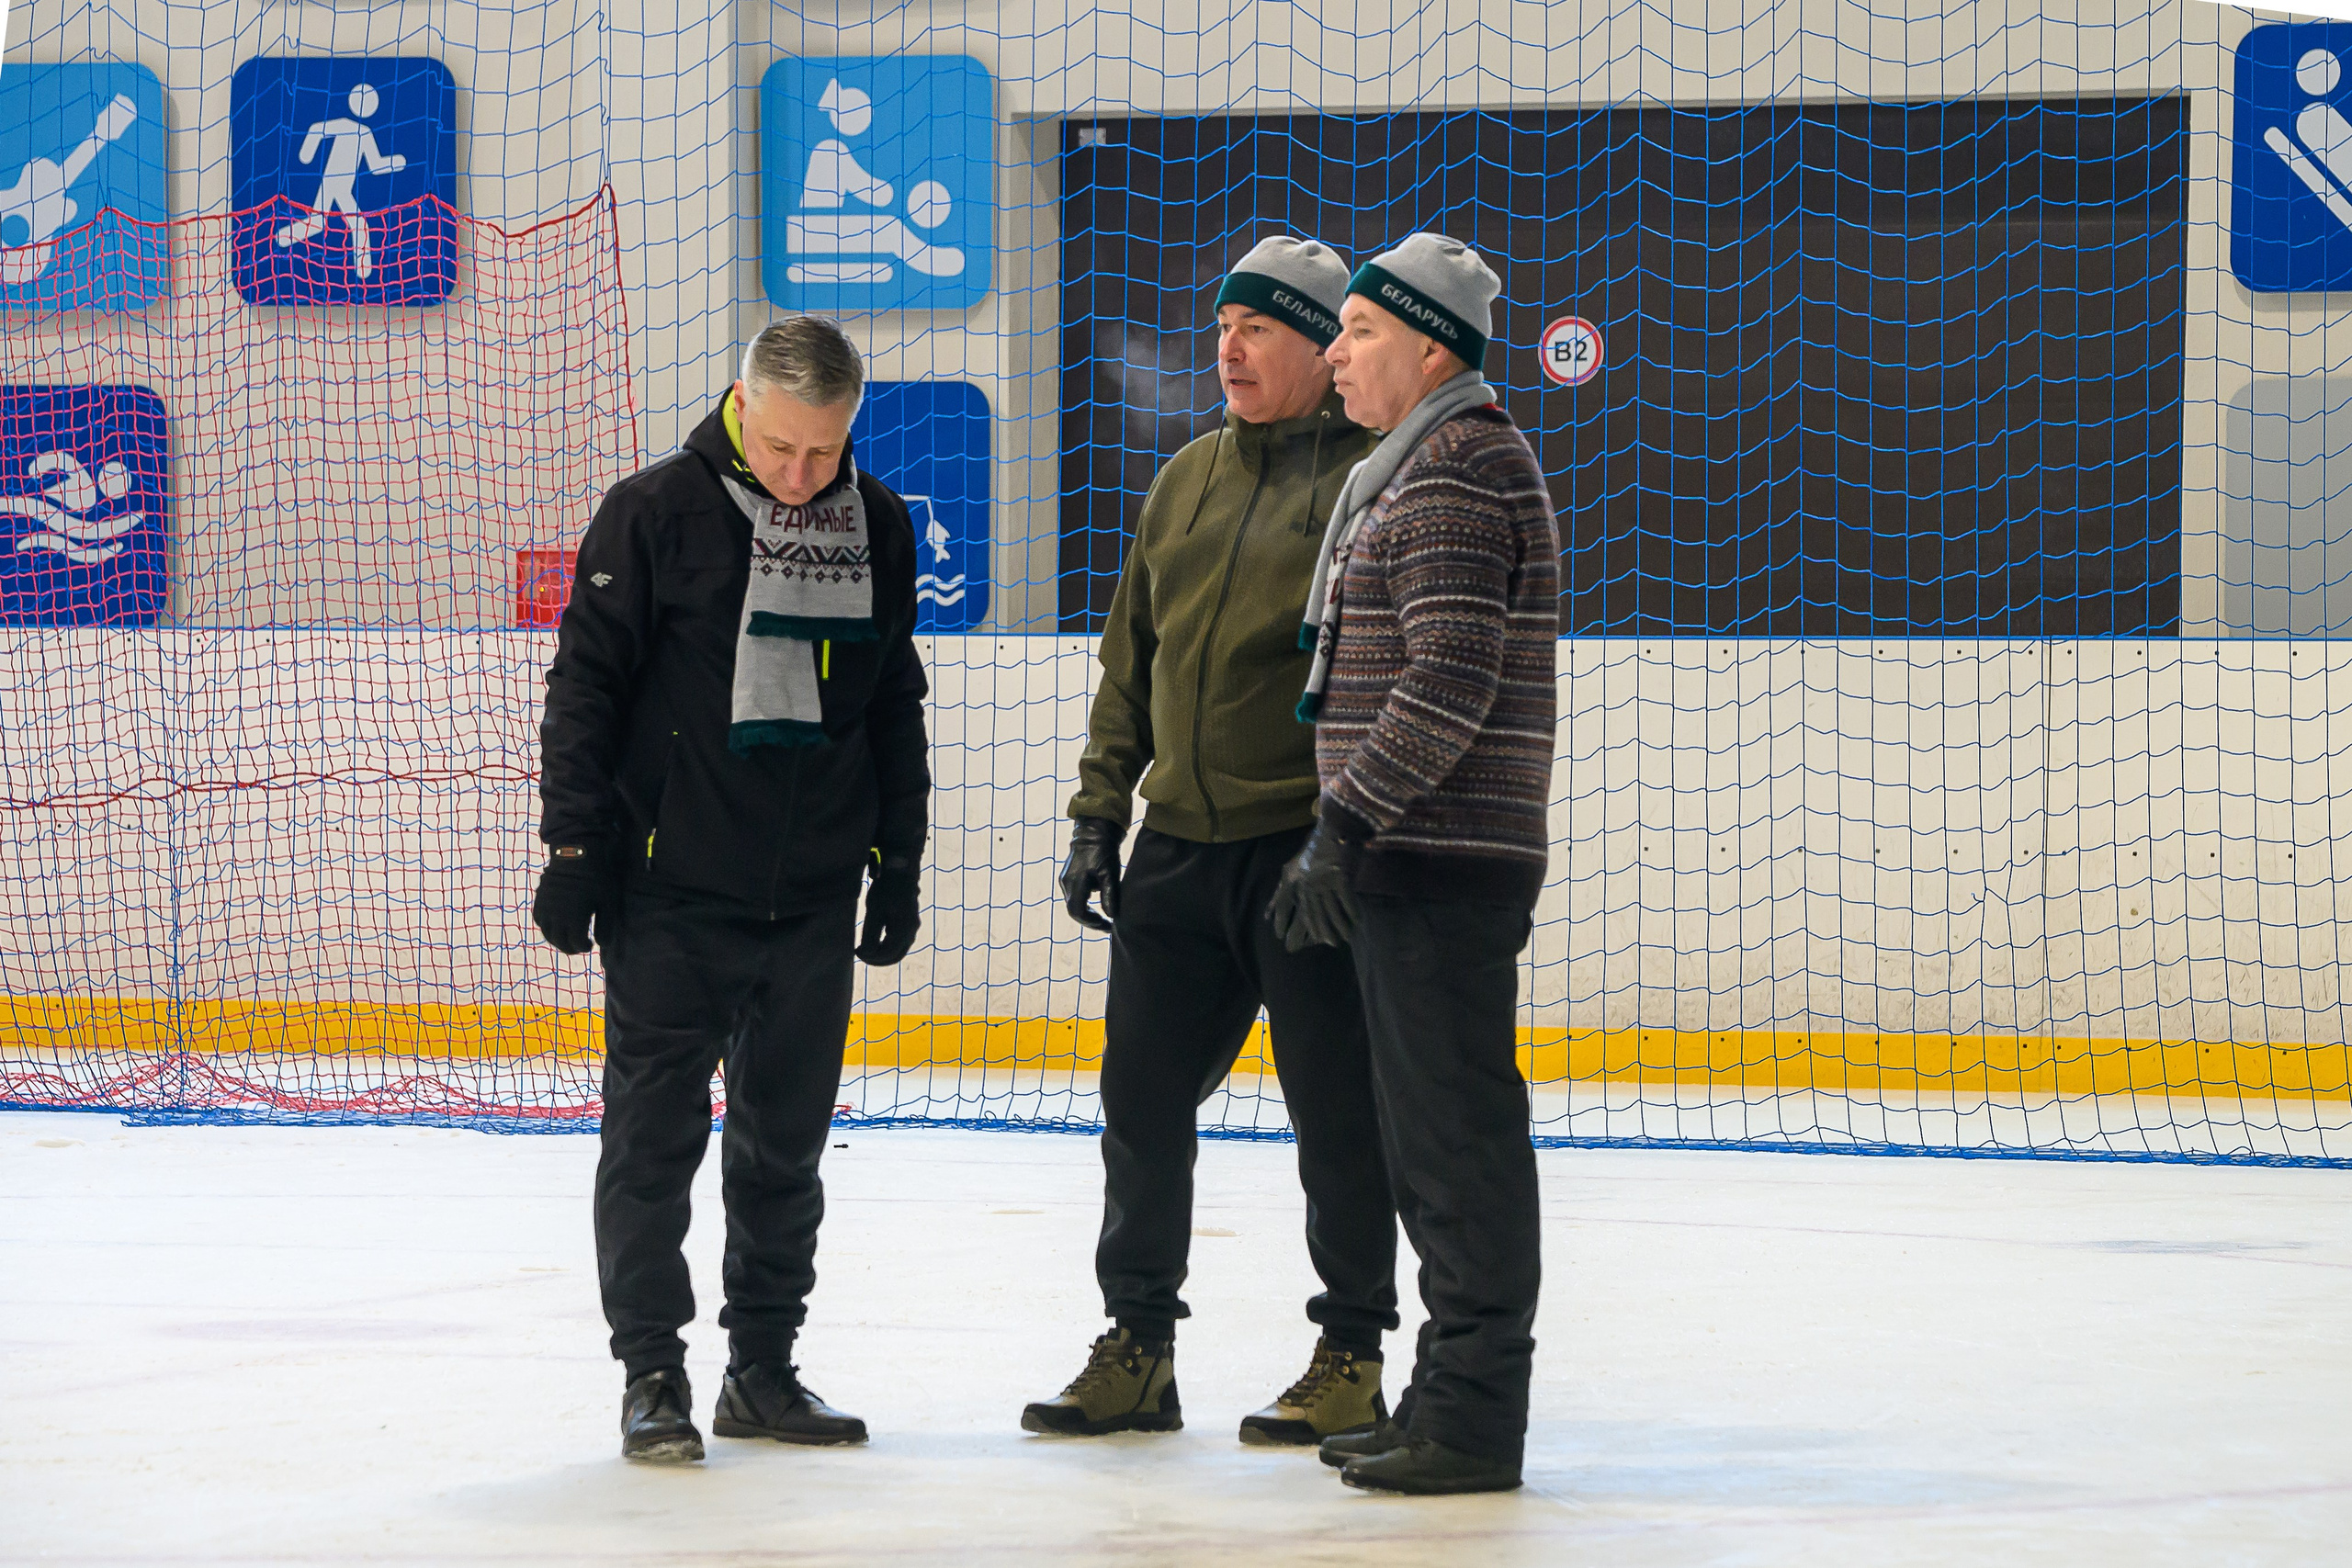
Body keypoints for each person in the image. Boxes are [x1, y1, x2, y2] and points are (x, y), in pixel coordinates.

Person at [1022, 238, 1399, 1445]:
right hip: (1177, 853)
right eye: (1222, 322)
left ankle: (1350, 1353)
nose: (1229, 346)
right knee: (1139, 1103)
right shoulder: (1184, 476)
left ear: (1318, 345)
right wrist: (1098, 811)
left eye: (1260, 327)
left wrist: (1346, 842)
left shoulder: (1371, 484)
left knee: (1336, 1114)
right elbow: (1131, 660)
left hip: (1305, 852)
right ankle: (1138, 1345)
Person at [534, 316, 930, 1463]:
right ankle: (653, 1373)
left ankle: (762, 1368)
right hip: (670, 895)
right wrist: (572, 851)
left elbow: (889, 700)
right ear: (740, 406)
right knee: (652, 1148)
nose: (803, 478)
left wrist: (894, 856)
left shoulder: (879, 524)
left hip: (808, 896)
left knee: (784, 1152)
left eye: (826, 453)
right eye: (783, 450)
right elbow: (585, 693)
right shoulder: (654, 512)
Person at [1271, 232, 1559, 1495]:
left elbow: (1449, 675)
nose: (1337, 351)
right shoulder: (1425, 460)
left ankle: (1476, 1416)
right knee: (1426, 1146)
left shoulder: (1450, 470)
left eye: (1363, 333)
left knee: (1457, 1143)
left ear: (1430, 345)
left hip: (1438, 859)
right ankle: (1447, 1394)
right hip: (1419, 857)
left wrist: (1346, 822)